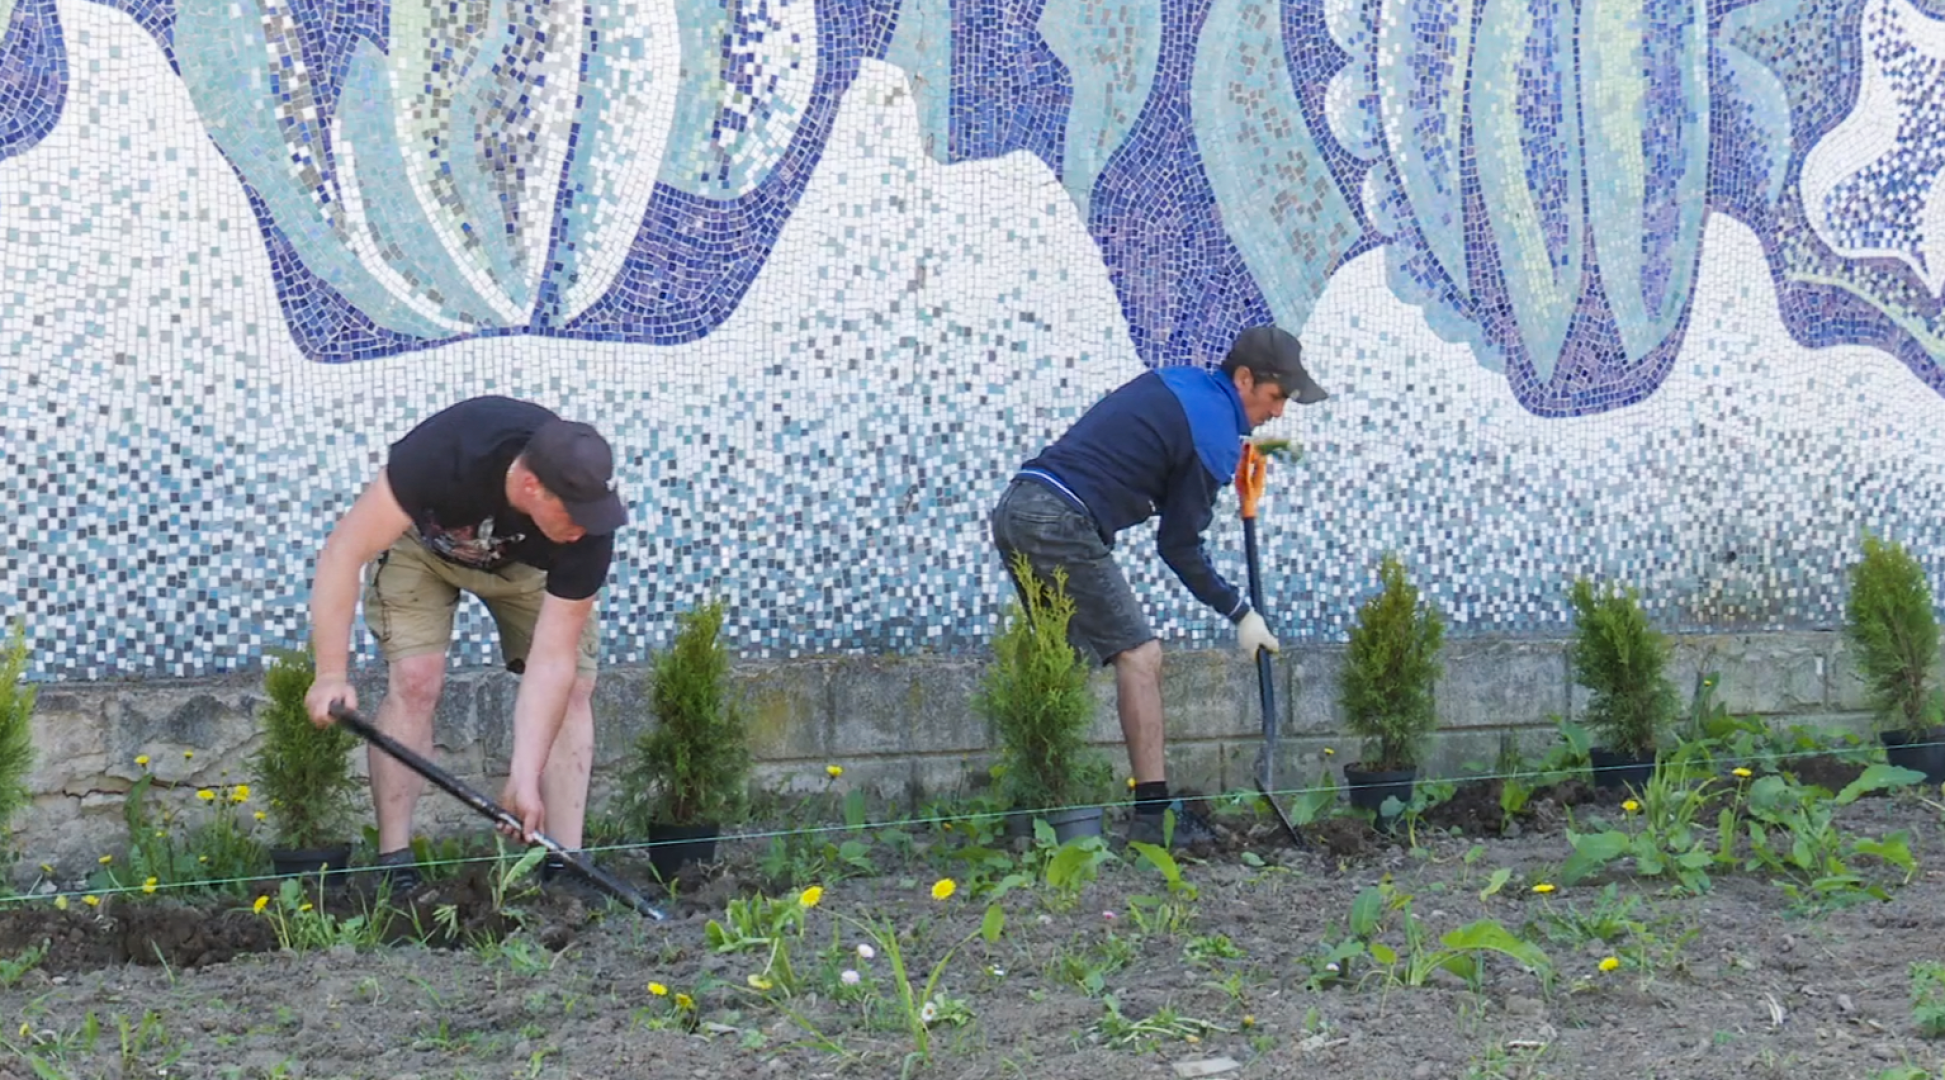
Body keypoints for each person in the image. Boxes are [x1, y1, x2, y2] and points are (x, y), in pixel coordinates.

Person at [990, 325, 1329, 847]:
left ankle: (1030, 811)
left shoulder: (1184, 385)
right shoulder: (1213, 433)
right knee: (1140, 655)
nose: (1278, 412)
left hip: (1020, 506)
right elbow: (1179, 547)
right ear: (1244, 379)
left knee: (1063, 664)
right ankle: (1153, 819)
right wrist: (1241, 613)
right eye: (1276, 396)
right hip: (1060, 519)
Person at [304, 396, 628, 891]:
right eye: (573, 514)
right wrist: (330, 672)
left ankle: (567, 869)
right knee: (415, 681)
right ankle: (396, 868)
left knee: (576, 688)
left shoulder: (587, 530)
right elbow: (344, 550)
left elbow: (554, 658)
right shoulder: (445, 452)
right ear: (529, 486)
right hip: (423, 548)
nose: (584, 526)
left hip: (526, 568)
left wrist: (524, 774)